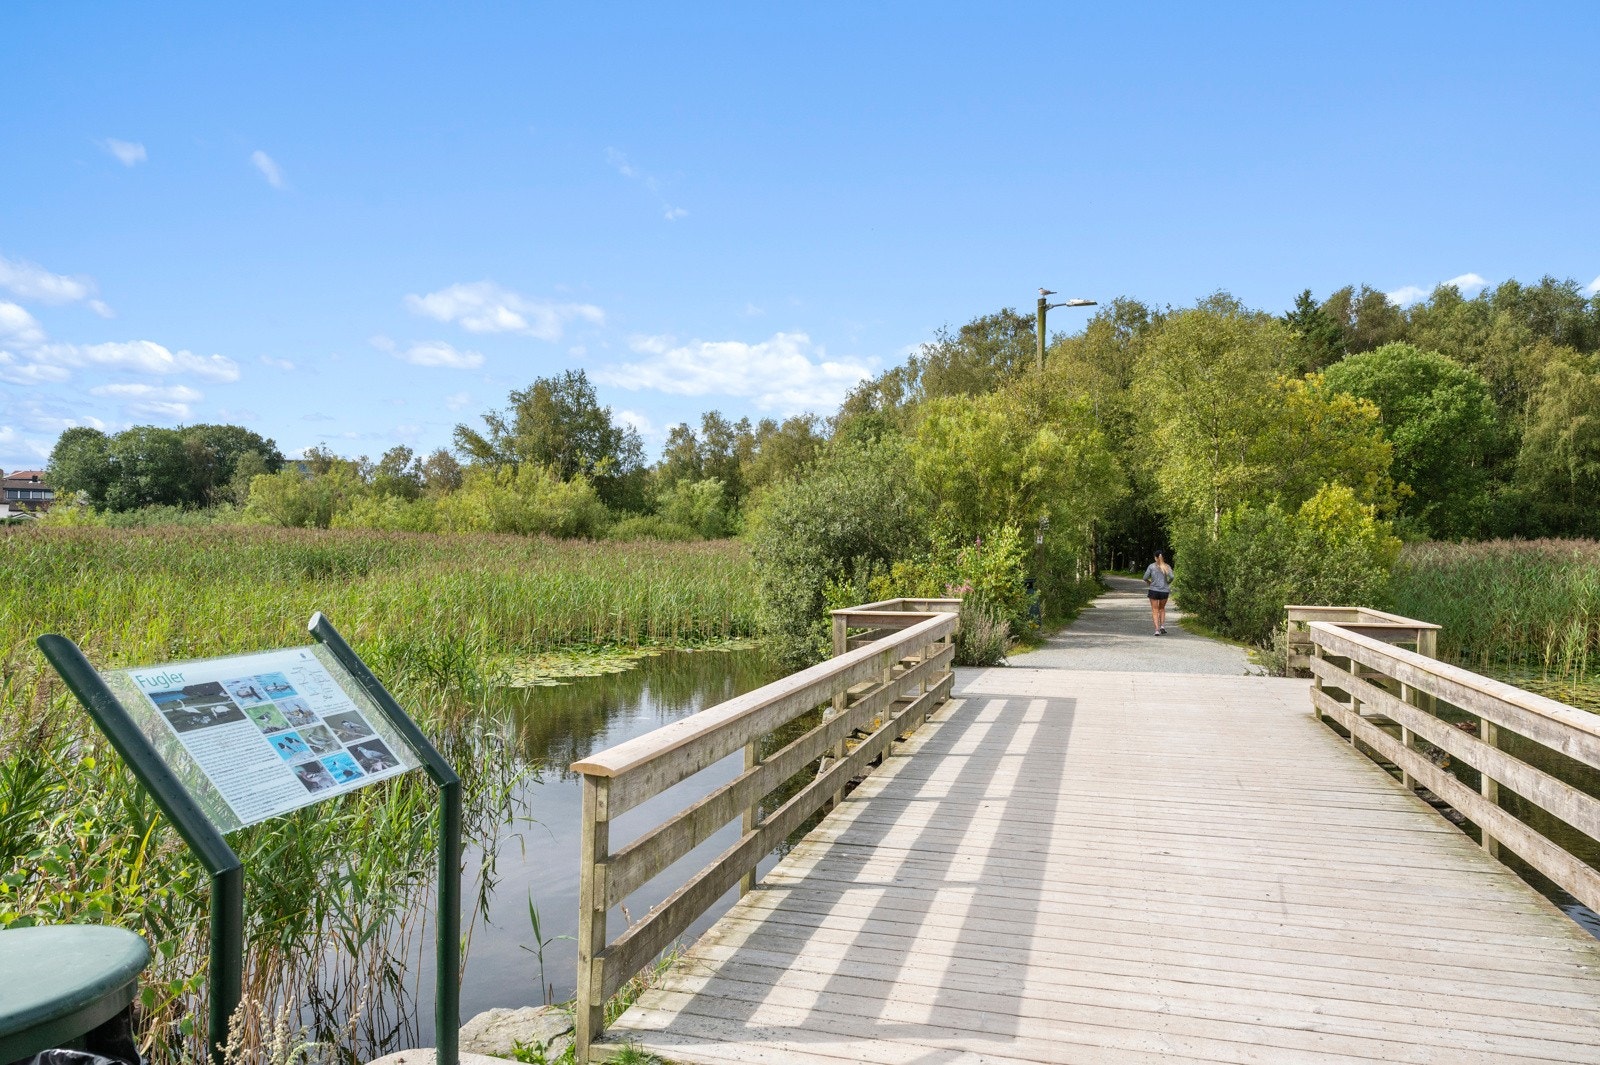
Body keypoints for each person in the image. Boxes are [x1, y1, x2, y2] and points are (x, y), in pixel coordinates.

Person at [1143, 551, 1173, 635]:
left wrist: (1149, 582)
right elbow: (1172, 577)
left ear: (1155, 557)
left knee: (1155, 610)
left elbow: (1145, 577)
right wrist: (1168, 582)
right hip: (1164, 591)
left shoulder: (1151, 566)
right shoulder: (1167, 566)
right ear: (1163, 557)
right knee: (1162, 609)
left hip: (1154, 591)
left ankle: (1156, 630)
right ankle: (1162, 626)